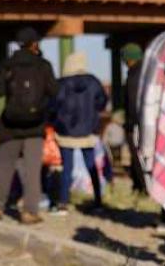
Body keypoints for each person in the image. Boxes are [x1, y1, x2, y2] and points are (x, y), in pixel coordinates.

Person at [0, 27, 58, 223]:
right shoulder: (43, 65)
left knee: (4, 166)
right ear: (35, 43)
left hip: (10, 124)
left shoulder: (8, 64)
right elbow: (54, 92)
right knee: (32, 169)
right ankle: (29, 212)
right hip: (35, 125)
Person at [50, 51, 107, 213]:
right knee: (91, 166)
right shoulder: (93, 82)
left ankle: (63, 203)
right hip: (88, 131)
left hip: (65, 132)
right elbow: (102, 103)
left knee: (67, 167)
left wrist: (54, 122)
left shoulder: (60, 84)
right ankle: (98, 201)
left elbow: (52, 106)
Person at [121, 43, 146, 194]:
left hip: (136, 124)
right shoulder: (146, 72)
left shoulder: (134, 76)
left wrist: (130, 124)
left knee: (138, 157)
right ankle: (140, 185)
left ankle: (143, 187)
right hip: (146, 122)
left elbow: (132, 101)